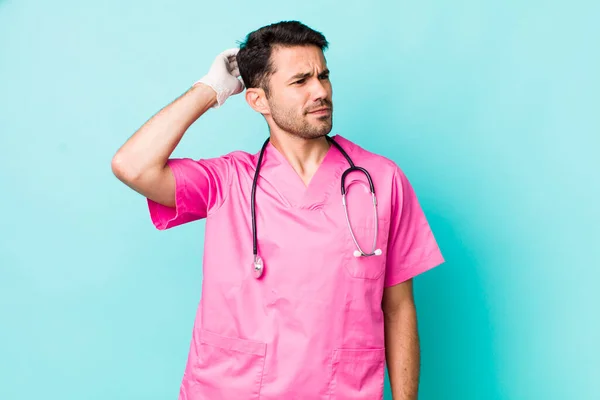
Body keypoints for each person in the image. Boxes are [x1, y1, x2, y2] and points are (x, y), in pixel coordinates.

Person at [112, 20, 444, 400]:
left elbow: (399, 308)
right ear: (258, 100)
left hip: (339, 391)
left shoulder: (379, 182)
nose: (320, 91)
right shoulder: (227, 181)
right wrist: (209, 90)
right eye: (300, 81)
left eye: (323, 76)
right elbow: (132, 166)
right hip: (232, 390)